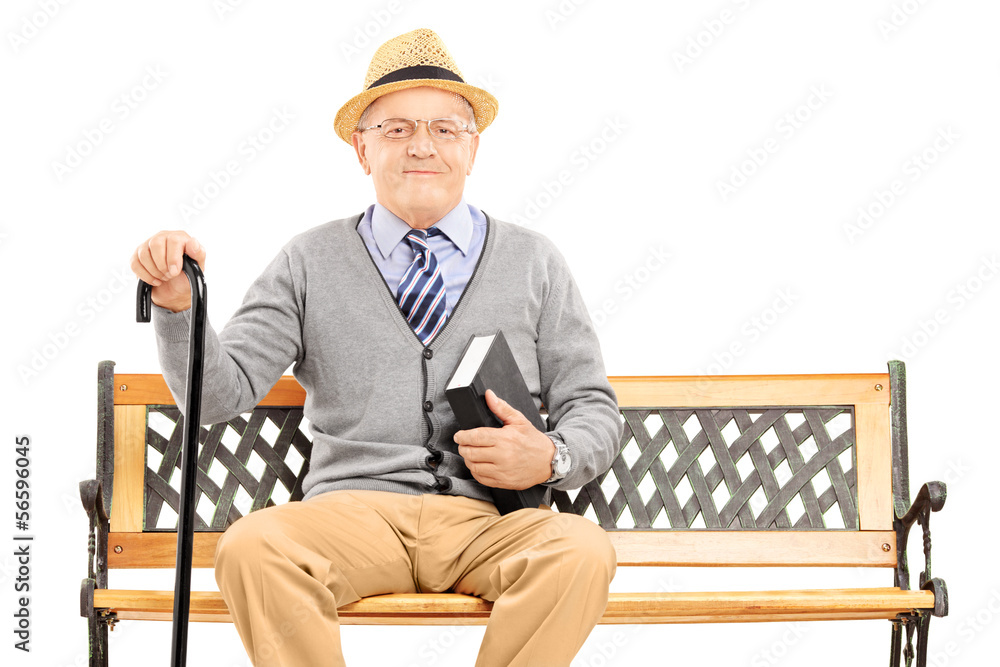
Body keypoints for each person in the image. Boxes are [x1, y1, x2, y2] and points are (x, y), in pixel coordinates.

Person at [130, 28, 622, 667]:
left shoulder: (535, 262)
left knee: (582, 551)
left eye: (446, 129)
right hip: (351, 519)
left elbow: (592, 407)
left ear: (473, 150)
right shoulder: (309, 260)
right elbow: (218, 397)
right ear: (362, 150)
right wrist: (178, 306)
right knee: (253, 546)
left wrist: (550, 457)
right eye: (396, 130)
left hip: (490, 524)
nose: (423, 146)